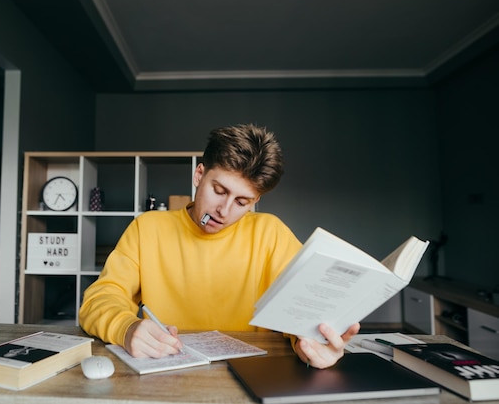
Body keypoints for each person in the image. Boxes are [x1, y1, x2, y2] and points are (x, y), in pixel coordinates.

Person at [79, 123, 360, 369]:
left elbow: (303, 306)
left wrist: (311, 342)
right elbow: (99, 300)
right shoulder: (148, 228)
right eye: (219, 190)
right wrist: (126, 328)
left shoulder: (270, 233)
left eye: (242, 202)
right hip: (166, 368)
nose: (223, 211)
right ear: (199, 175)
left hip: (257, 374)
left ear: (255, 201)